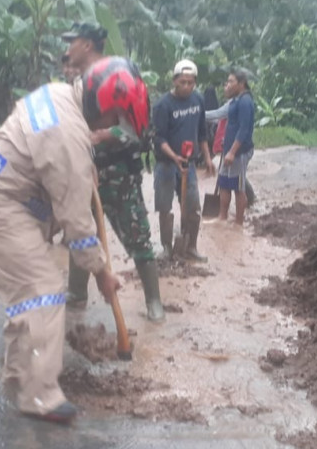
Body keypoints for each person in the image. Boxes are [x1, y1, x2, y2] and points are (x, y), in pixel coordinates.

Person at [0, 74, 122, 425]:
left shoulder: (62, 95)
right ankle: (38, 394)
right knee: (43, 289)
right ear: (101, 107)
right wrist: (103, 273)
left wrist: (84, 149)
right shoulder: (70, 140)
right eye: (113, 120)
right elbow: (78, 226)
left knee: (27, 295)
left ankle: (18, 375)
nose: (112, 128)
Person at [61, 23, 167, 324]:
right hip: (85, 172)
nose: (68, 49)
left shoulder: (117, 75)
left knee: (138, 236)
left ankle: (154, 301)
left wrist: (104, 135)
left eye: (74, 42)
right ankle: (77, 294)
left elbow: (138, 131)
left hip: (118, 174)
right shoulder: (76, 85)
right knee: (80, 235)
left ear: (88, 46)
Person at [152, 59, 214, 262]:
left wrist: (207, 157)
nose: (187, 86)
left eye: (191, 82)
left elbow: (202, 131)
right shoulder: (163, 105)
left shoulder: (198, 100)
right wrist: (174, 156)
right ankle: (167, 248)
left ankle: (190, 247)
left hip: (190, 164)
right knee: (165, 208)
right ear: (174, 81)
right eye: (182, 82)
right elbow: (158, 138)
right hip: (166, 165)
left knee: (193, 207)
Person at [218, 68, 256, 225]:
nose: (227, 84)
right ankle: (222, 217)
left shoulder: (246, 102)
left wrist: (232, 152)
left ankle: (239, 222)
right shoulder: (235, 101)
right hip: (229, 151)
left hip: (239, 152)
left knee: (238, 188)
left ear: (241, 84)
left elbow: (244, 129)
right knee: (224, 183)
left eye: (231, 81)